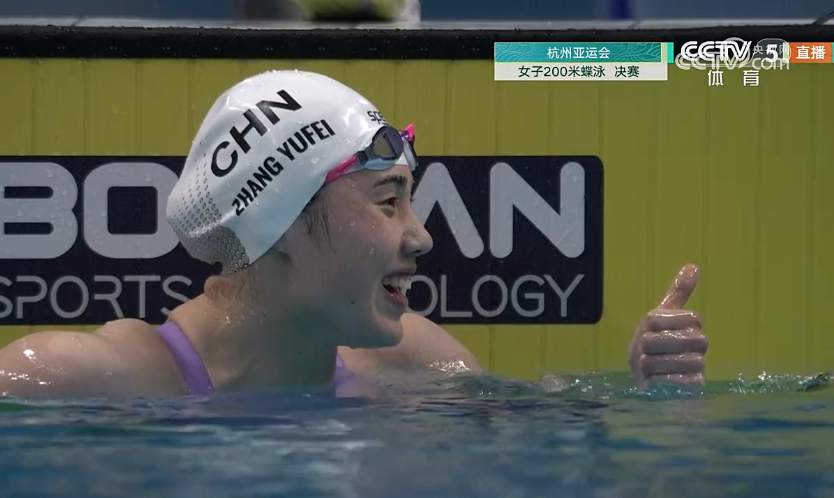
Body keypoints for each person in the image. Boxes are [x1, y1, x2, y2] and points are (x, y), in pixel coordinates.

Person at [0, 70, 707, 398]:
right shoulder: (73, 381)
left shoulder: (414, 363)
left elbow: (548, 428)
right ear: (277, 223)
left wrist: (646, 389)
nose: (421, 237)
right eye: (388, 201)